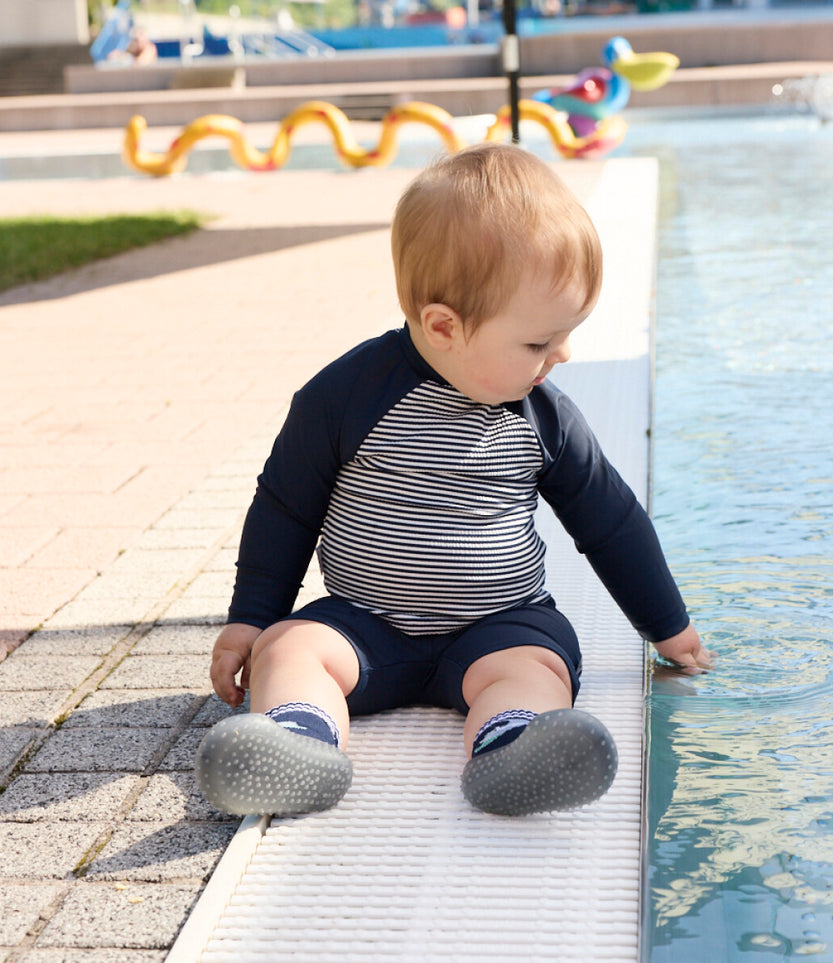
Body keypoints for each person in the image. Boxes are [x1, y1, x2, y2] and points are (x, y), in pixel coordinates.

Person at [196, 142, 713, 819]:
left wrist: (667, 628)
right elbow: (286, 508)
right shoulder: (346, 398)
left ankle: (513, 745)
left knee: (539, 663)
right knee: (289, 648)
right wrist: (252, 617)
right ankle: (298, 739)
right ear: (444, 326)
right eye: (537, 343)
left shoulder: (542, 416)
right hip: (362, 625)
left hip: (499, 624)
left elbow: (610, 521)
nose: (559, 357)